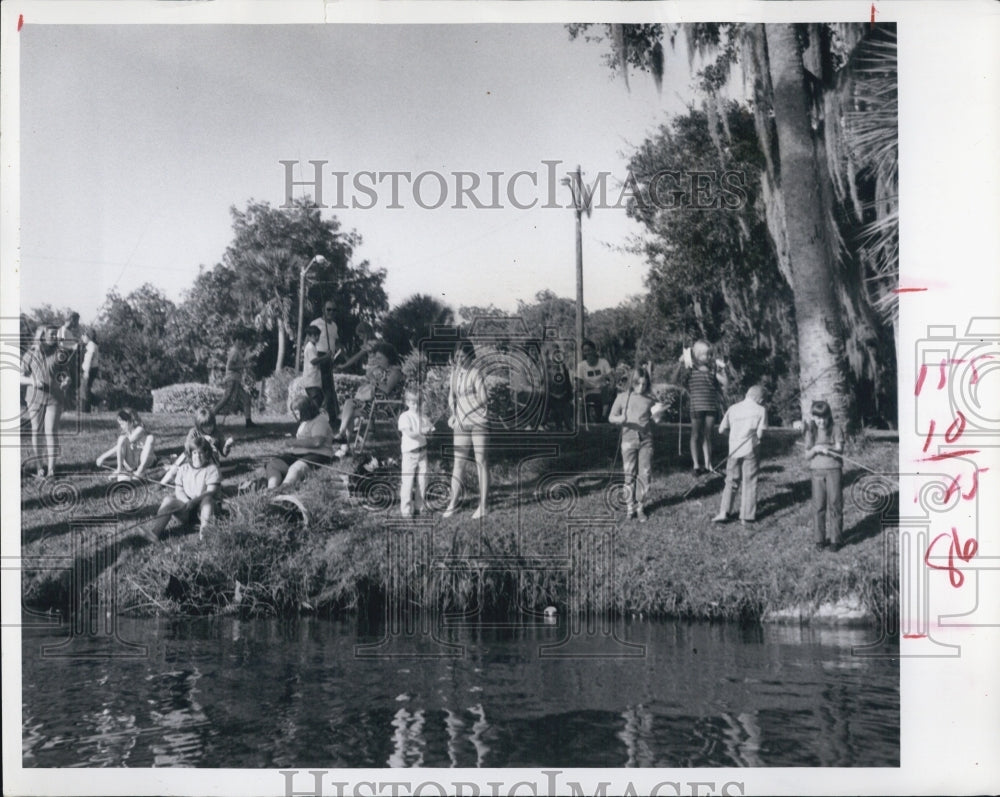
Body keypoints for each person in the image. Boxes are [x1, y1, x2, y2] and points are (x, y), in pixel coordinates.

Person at [608, 366, 668, 522]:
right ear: (631, 382)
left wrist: (660, 414)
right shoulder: (622, 397)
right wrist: (619, 419)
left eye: (644, 384)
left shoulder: (650, 399)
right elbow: (611, 417)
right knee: (629, 475)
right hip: (628, 441)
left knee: (645, 474)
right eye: (637, 383)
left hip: (646, 441)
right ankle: (629, 508)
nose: (641, 387)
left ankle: (640, 507)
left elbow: (656, 419)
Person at [443, 340, 490, 519]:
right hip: (461, 423)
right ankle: (452, 503)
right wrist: (454, 414)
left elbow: (484, 398)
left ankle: (483, 506)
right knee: (458, 463)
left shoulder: (476, 373)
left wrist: (467, 411)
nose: (460, 359)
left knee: (481, 461)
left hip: (479, 421)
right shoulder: (455, 373)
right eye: (457, 356)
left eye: (463, 356)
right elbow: (451, 397)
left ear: (470, 356)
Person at [148, 436, 220, 542]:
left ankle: (205, 534)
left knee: (207, 500)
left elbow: (211, 491)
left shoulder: (212, 469)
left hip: (206, 509)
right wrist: (187, 502)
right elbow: (179, 490)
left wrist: (194, 501)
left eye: (201, 453)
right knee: (168, 500)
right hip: (187, 509)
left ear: (207, 453)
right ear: (190, 454)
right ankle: (155, 532)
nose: (198, 456)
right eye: (195, 453)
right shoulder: (184, 469)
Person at [713, 385, 767, 525]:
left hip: (734, 450)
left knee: (731, 480)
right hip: (751, 449)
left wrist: (733, 436)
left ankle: (724, 512)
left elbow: (721, 430)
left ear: (747, 395)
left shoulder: (733, 408)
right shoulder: (761, 410)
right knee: (750, 480)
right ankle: (746, 516)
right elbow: (760, 435)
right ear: (759, 399)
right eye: (762, 400)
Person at [20, 326, 69, 479]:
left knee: (51, 432)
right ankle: (40, 466)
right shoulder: (30, 354)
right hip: (34, 398)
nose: (55, 337)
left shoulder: (60, 354)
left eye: (56, 334)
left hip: (54, 398)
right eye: (52, 334)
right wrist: (33, 381)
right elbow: (19, 377)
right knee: (37, 430)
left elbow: (65, 374)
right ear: (42, 336)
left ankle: (52, 470)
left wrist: (66, 381)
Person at [334, 341, 404, 443]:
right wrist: (371, 377)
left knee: (349, 412)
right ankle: (343, 437)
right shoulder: (384, 370)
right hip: (374, 403)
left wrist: (373, 380)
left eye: (380, 358)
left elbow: (387, 389)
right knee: (349, 404)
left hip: (384, 406)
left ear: (389, 358)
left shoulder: (395, 372)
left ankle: (344, 439)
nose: (377, 361)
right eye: (376, 358)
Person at [678, 340, 728, 475]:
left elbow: (724, 384)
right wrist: (682, 361)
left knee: (708, 436)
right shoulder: (690, 369)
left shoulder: (713, 370)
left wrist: (721, 370)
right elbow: (679, 375)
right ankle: (696, 465)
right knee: (695, 434)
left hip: (711, 406)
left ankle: (708, 464)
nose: (706, 357)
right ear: (695, 355)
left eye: (708, 354)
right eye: (703, 354)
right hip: (696, 406)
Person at [264, 395, 335, 490]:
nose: (295, 416)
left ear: (306, 410)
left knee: (295, 468)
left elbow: (317, 442)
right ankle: (271, 489)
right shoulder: (304, 423)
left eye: (297, 413)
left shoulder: (320, 421)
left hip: (318, 455)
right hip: (299, 454)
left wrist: (294, 442)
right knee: (273, 464)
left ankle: (283, 489)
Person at [804, 399, 845, 552]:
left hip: (834, 470)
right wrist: (816, 449)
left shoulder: (836, 429)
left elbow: (840, 449)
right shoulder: (811, 432)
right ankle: (819, 540)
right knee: (818, 506)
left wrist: (831, 450)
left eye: (824, 417)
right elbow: (807, 455)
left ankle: (836, 540)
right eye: (817, 418)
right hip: (816, 472)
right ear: (813, 417)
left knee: (835, 504)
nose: (821, 421)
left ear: (829, 416)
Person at [161, 408, 233, 485]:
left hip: (210, 460)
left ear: (214, 423)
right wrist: (200, 441)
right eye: (205, 426)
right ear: (199, 426)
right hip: (194, 458)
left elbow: (224, 453)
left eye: (211, 425)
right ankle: (165, 479)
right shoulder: (194, 432)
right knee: (184, 455)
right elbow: (187, 446)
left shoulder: (217, 434)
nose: (209, 428)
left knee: (201, 458)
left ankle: (184, 472)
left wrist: (227, 446)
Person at [398, 386, 434, 517]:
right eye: (413, 403)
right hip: (409, 454)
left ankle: (420, 507)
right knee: (407, 482)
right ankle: (406, 511)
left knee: (422, 480)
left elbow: (430, 430)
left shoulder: (423, 416)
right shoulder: (404, 416)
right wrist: (421, 431)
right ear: (407, 402)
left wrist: (430, 431)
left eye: (418, 403)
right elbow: (409, 433)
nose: (416, 406)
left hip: (423, 453)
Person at [96, 408, 157, 480]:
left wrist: (103, 456)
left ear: (130, 421)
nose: (121, 426)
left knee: (150, 437)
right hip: (132, 462)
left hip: (145, 460)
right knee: (121, 439)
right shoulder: (125, 433)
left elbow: (129, 441)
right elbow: (121, 451)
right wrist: (107, 462)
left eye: (122, 423)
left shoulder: (140, 429)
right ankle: (119, 469)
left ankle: (140, 471)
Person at [212, 336, 255, 427]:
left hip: (236, 379)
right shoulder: (234, 351)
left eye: (242, 340)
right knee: (226, 398)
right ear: (235, 341)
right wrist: (245, 366)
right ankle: (210, 416)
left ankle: (248, 422)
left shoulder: (237, 352)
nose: (241, 342)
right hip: (232, 379)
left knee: (246, 398)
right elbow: (229, 367)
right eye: (239, 340)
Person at [310, 299, 341, 425]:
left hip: (329, 358)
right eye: (328, 309)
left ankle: (333, 417)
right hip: (319, 357)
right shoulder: (316, 323)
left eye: (334, 310)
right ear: (323, 309)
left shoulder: (334, 326)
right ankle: (315, 417)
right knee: (321, 390)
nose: (331, 312)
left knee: (329, 389)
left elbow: (337, 343)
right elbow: (308, 341)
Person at [575, 339, 614, 423]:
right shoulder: (581, 366)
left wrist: (611, 385)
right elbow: (578, 381)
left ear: (594, 350)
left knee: (606, 391)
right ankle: (581, 420)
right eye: (585, 351)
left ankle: (604, 417)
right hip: (589, 391)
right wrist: (581, 388)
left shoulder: (603, 362)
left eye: (589, 350)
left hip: (602, 389)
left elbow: (611, 378)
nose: (587, 353)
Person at [543, 342, 573, 431]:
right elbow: (544, 383)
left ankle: (565, 423)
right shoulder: (545, 368)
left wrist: (569, 393)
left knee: (564, 405)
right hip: (549, 395)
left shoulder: (563, 367)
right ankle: (545, 422)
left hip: (562, 395)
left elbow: (567, 383)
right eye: (552, 353)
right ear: (548, 355)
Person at [301, 324, 325, 411]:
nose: (316, 337)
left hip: (315, 381)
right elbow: (314, 361)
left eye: (317, 335)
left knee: (319, 401)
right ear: (309, 336)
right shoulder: (310, 347)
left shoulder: (313, 347)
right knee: (316, 405)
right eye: (314, 335)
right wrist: (326, 357)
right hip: (311, 381)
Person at [79, 330, 100, 413]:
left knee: (84, 389)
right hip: (92, 368)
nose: (82, 337)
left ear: (88, 336)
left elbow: (89, 359)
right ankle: (90, 406)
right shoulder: (92, 345)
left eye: (84, 335)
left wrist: (86, 371)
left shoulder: (91, 345)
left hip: (89, 369)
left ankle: (86, 408)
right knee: (86, 388)